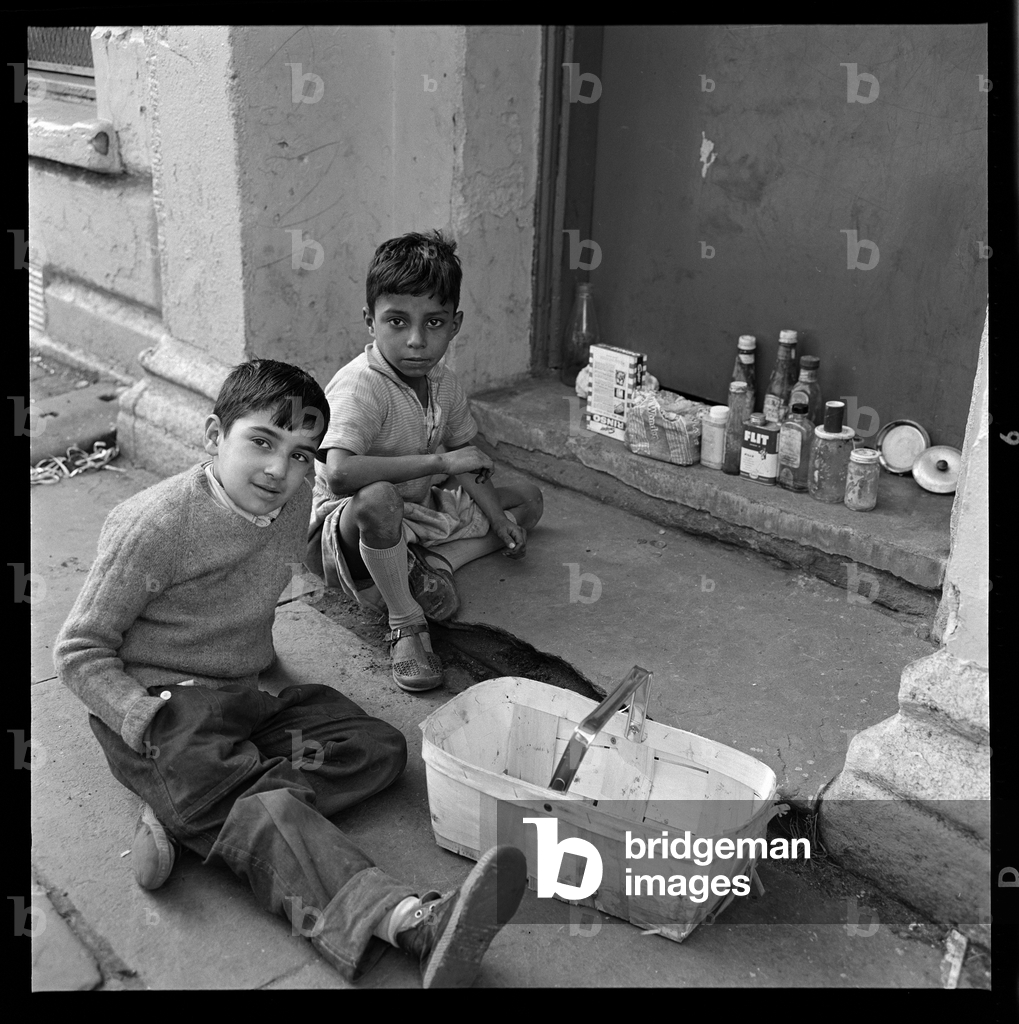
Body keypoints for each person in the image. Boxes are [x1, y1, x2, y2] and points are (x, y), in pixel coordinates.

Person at [53, 358, 527, 988]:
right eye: (261, 441)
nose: (281, 469)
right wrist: (144, 719)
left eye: (303, 454)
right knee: (260, 800)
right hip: (166, 711)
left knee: (377, 748)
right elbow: (79, 649)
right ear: (212, 434)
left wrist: (259, 689)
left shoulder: (295, 496)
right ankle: (407, 920)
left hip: (240, 705)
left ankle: (198, 812)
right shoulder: (152, 525)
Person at [307, 230, 543, 692]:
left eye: (433, 324)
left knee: (527, 503)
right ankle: (405, 621)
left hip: (416, 512)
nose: (416, 341)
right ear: (370, 321)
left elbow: (468, 461)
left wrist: (497, 519)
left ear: (454, 324)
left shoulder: (444, 382)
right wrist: (439, 460)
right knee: (378, 497)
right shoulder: (362, 386)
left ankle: (432, 569)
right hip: (344, 534)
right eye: (397, 322)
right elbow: (339, 475)